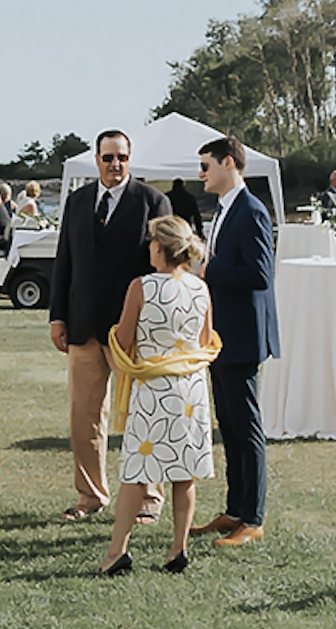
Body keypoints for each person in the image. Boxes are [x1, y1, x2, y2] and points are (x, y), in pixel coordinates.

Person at [49, 128, 171, 523]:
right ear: (96, 160)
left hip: (134, 332)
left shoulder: (153, 202)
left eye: (121, 157)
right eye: (108, 158)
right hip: (83, 327)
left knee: (143, 415)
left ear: (129, 160)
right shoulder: (78, 201)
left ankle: (149, 500)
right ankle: (90, 495)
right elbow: (64, 260)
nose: (115, 164)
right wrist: (57, 316)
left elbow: (168, 266)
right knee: (83, 417)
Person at [97, 217, 216, 576]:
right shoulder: (200, 287)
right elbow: (207, 338)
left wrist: (114, 336)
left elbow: (123, 338)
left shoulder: (142, 287)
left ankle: (117, 551)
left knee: (137, 470)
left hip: (154, 389)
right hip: (191, 388)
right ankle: (177, 549)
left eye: (151, 241)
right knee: (184, 472)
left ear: (160, 247)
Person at [191, 135, 279, 548]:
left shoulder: (252, 210)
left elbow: (260, 275)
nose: (201, 174)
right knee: (229, 425)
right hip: (221, 337)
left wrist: (210, 268)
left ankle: (254, 518)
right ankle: (235, 509)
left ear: (229, 163)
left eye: (206, 165)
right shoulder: (224, 209)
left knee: (246, 428)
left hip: (243, 337)